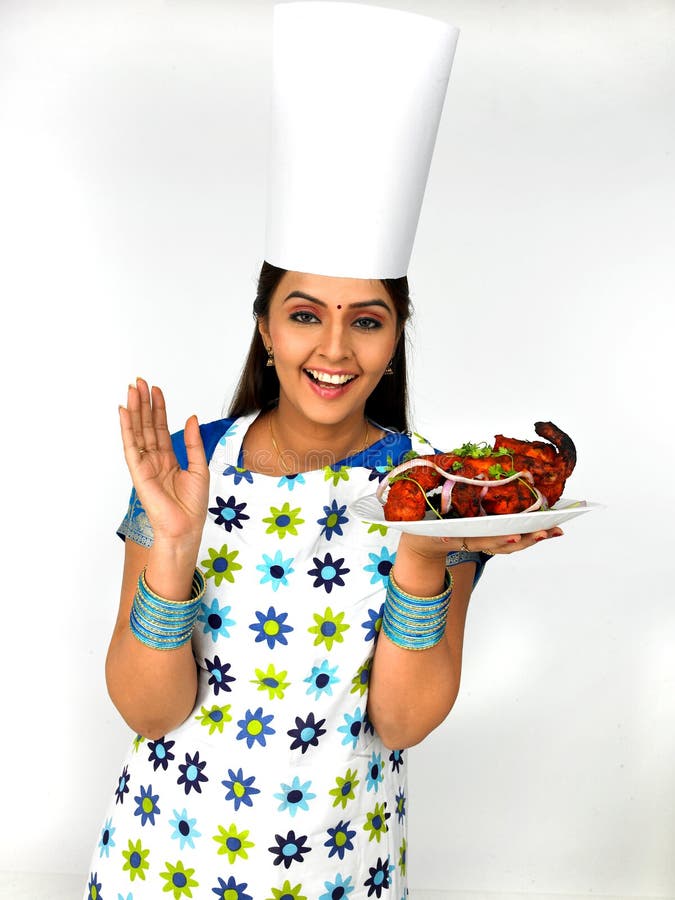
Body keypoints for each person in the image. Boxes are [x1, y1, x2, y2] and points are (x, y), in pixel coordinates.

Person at [84, 6, 562, 899]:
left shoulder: (440, 488)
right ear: (265, 328)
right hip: (167, 862)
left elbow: (401, 720)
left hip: (342, 866)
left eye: (366, 319)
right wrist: (175, 553)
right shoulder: (184, 469)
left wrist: (424, 551)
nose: (334, 351)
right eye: (304, 313)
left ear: (394, 337)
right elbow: (149, 711)